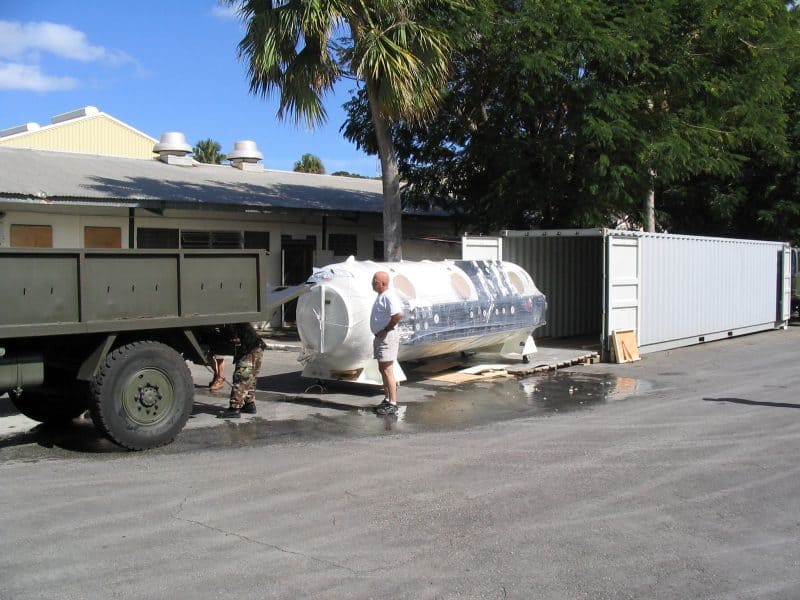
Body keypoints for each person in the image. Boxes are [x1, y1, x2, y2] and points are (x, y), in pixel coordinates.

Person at [370, 271, 404, 415]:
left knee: (388, 370)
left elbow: (398, 314)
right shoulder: (381, 296)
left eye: (375, 281)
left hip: (387, 337)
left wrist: (386, 329)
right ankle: (387, 398)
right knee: (382, 369)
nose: (372, 283)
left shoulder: (389, 296)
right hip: (381, 337)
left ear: (383, 283)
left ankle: (393, 402)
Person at [216, 322, 266, 419]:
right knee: (251, 378)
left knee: (241, 377)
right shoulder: (239, 320)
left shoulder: (232, 322)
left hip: (249, 348)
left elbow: (230, 336)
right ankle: (249, 404)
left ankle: (234, 409)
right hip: (258, 347)